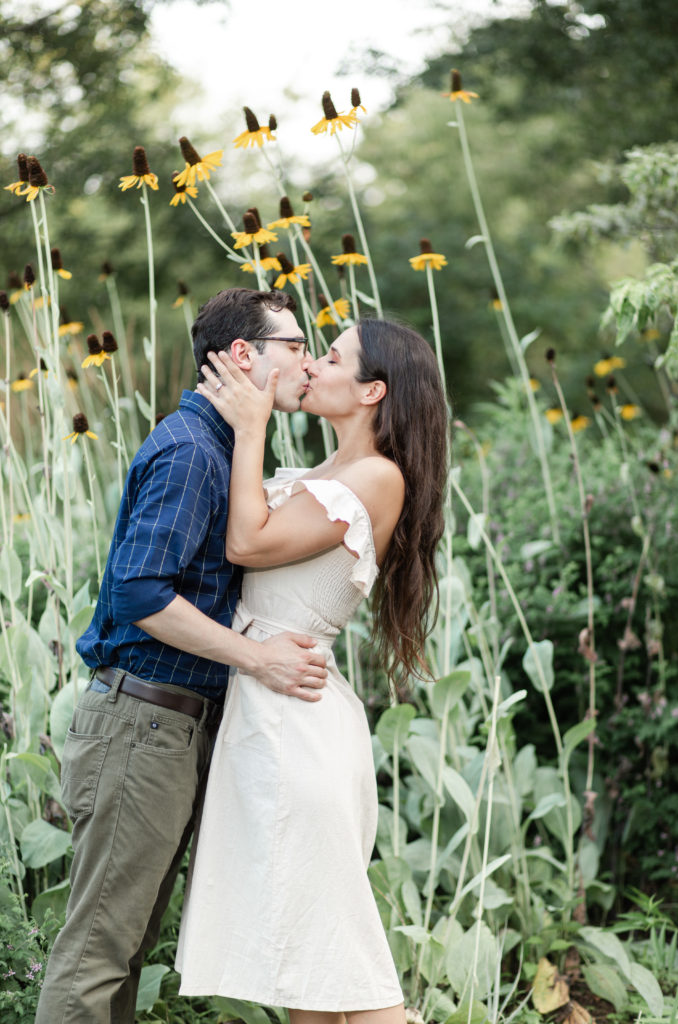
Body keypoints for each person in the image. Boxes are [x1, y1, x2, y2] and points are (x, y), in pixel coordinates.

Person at [36, 288, 329, 1024]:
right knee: (98, 951)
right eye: (293, 345)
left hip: (166, 730)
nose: (307, 359)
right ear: (240, 355)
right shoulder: (193, 451)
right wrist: (256, 659)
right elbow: (138, 591)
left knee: (125, 947)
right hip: (140, 724)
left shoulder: (224, 447)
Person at [175, 318, 449, 1022]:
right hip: (273, 715)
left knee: (348, 972)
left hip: (297, 731)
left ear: (371, 392)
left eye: (330, 358)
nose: (313, 366)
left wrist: (250, 427)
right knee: (309, 974)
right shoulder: (327, 475)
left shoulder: (374, 476)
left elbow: (246, 540)